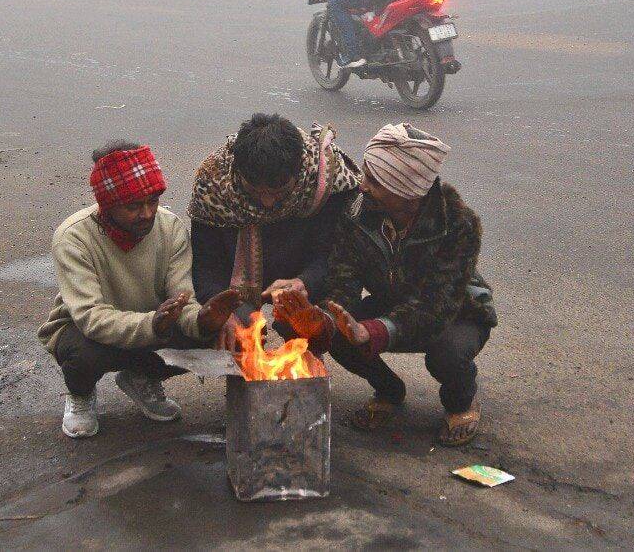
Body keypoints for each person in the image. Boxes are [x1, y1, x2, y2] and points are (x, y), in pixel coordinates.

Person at [273, 124, 497, 447]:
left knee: (446, 355)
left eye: (375, 181)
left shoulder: (458, 223)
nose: (362, 186)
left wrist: (373, 330)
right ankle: (389, 391)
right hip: (393, 302)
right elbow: (343, 280)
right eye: (366, 174)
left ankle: (461, 402)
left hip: (457, 311)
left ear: (407, 193)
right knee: (340, 335)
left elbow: (435, 306)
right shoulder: (357, 213)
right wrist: (322, 319)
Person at [38, 141, 240, 438]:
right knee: (82, 356)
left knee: (215, 339)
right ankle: (80, 394)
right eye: (133, 206)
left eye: (153, 201)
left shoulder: (170, 229)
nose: (147, 213)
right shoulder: (74, 237)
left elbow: (182, 299)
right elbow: (90, 317)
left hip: (155, 323)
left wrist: (203, 321)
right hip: (89, 331)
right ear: (108, 205)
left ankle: (140, 378)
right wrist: (152, 324)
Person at [189, 114, 361, 323]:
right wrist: (226, 313)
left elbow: (335, 257)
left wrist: (305, 282)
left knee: (313, 322)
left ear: (299, 171)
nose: (268, 203)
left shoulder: (324, 181)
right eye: (255, 191)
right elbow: (206, 269)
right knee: (241, 327)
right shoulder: (213, 185)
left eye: (279, 192)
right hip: (230, 280)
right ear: (238, 174)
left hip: (306, 273)